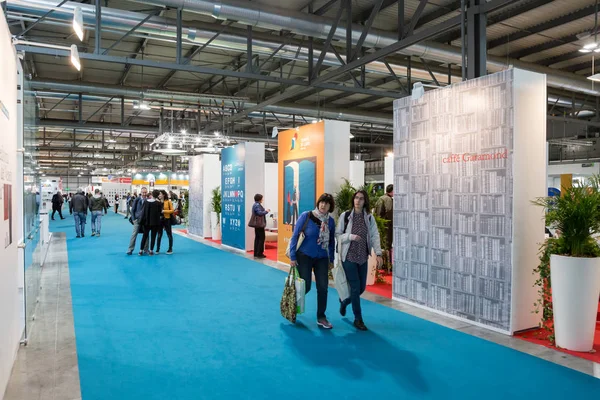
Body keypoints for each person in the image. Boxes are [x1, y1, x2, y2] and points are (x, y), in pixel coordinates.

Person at [336, 190, 383, 331]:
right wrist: (350, 236)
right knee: (355, 287)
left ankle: (344, 301)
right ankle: (358, 319)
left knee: (361, 288)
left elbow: (375, 236)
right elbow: (338, 235)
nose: (358, 201)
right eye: (356, 198)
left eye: (361, 199)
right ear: (353, 200)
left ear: (365, 201)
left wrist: (379, 253)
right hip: (349, 256)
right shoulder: (345, 216)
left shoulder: (369, 218)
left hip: (363, 257)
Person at [289, 193, 336, 329]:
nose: (323, 205)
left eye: (327, 203)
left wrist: (331, 259)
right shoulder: (306, 216)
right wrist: (292, 256)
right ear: (318, 202)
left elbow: (332, 241)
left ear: (330, 207)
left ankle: (321, 317)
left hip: (322, 257)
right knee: (306, 285)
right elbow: (295, 236)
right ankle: (292, 305)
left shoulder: (331, 222)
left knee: (323, 287)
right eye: (322, 202)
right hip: (304, 256)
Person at [139, 189, 163, 256]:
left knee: (144, 236)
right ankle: (151, 251)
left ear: (152, 194)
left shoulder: (146, 202)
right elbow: (160, 213)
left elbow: (143, 212)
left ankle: (141, 250)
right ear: (157, 195)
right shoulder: (158, 203)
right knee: (153, 236)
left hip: (146, 223)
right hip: (155, 223)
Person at [375, 184, 394, 262]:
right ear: (391, 191)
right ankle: (388, 264)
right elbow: (389, 211)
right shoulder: (388, 199)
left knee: (381, 244)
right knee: (387, 244)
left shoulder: (380, 198)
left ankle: (382, 263)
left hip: (380, 224)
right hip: (387, 225)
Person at [127, 187, 148, 255]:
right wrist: (133, 219)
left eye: (145, 192)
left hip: (145, 221)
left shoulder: (148, 200)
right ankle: (130, 249)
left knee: (146, 235)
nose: (144, 194)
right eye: (143, 192)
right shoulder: (136, 200)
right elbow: (132, 210)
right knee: (134, 235)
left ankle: (146, 249)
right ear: (141, 192)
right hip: (137, 220)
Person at [251, 194, 270, 259]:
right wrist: (266, 211)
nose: (262, 199)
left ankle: (256, 253)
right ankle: (259, 253)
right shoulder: (257, 205)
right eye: (262, 198)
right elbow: (259, 213)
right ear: (259, 199)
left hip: (257, 224)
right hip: (259, 225)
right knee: (261, 238)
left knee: (257, 238)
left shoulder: (255, 205)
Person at [157, 190, 174, 255]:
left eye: (160, 194)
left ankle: (170, 249)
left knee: (169, 234)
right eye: (159, 194)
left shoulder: (168, 202)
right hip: (159, 220)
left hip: (167, 219)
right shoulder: (157, 202)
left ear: (164, 195)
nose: (159, 195)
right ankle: (157, 249)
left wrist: (164, 211)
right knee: (159, 235)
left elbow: (172, 210)